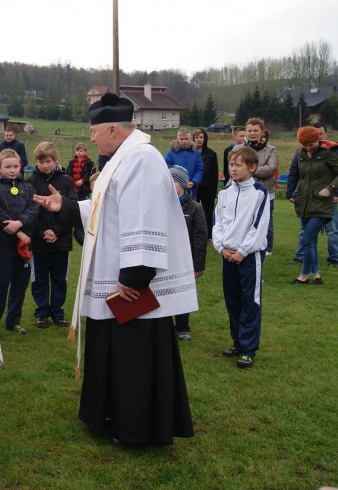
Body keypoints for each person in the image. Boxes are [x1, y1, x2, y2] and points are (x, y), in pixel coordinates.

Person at [33, 93, 195, 446]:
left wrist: (135, 275)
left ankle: (135, 427)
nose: (90, 139)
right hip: (116, 276)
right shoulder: (121, 159)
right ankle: (107, 414)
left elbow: (145, 217)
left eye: (93, 131)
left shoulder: (142, 160)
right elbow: (106, 209)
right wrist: (66, 206)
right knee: (113, 351)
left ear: (111, 128)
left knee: (134, 359)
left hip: (131, 284)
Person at [212, 146, 270, 368]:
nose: (233, 169)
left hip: (248, 257)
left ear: (252, 167)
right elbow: (217, 223)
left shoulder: (259, 193)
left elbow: (258, 226)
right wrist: (222, 248)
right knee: (233, 299)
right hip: (227, 256)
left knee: (250, 301)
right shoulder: (224, 193)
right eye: (231, 164)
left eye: (238, 165)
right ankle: (237, 341)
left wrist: (243, 251)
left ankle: (248, 349)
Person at [0, 149, 39, 334]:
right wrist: (17, 231)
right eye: (8, 167)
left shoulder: (28, 186)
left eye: (15, 166)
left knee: (21, 282)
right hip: (4, 241)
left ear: (21, 167)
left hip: (25, 242)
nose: (12, 170)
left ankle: (13, 321)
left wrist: (20, 223)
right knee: (2, 282)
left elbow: (34, 208)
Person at [287, 127, 338, 286]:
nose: (309, 147)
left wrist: (330, 188)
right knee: (311, 241)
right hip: (304, 204)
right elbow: (297, 175)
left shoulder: (328, 154)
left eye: (311, 144)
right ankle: (316, 275)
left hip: (321, 205)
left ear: (318, 139)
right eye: (305, 144)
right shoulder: (301, 155)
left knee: (307, 239)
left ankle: (304, 275)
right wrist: (294, 193)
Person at [28, 142, 78, 329]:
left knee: (59, 277)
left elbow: (72, 208)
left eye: (48, 161)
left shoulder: (66, 181)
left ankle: (58, 312)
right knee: (39, 277)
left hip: (61, 240)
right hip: (39, 241)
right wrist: (42, 232)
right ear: (37, 162)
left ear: (55, 160)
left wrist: (56, 231)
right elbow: (30, 210)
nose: (45, 165)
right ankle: (41, 312)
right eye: (41, 162)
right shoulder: (32, 181)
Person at [168, 166, 207, 341]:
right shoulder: (161, 205)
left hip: (185, 259)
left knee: (182, 292)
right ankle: (164, 325)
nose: (170, 184)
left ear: (184, 185)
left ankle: (183, 327)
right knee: (164, 291)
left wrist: (198, 265)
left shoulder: (195, 208)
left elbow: (200, 238)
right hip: (166, 259)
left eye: (174, 181)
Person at [241, 118, 277, 255]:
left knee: (266, 219)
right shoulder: (239, 149)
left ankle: (267, 247)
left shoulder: (271, 150)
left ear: (262, 132)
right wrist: (259, 168)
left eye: (256, 130)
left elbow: (271, 170)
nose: (252, 133)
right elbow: (234, 169)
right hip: (244, 191)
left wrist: (247, 168)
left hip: (265, 191)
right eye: (249, 130)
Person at [193, 128, 219, 240]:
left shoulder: (211, 154)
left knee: (208, 213)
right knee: (194, 213)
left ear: (205, 138)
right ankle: (194, 234)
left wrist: (213, 190)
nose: (199, 140)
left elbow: (214, 173)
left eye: (201, 137)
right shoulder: (191, 153)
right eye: (197, 137)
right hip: (194, 188)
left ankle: (209, 236)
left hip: (208, 189)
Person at [164, 127, 204, 198]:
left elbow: (199, 170)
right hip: (176, 192)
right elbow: (167, 170)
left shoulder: (196, 153)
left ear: (191, 138)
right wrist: (179, 183)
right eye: (181, 139)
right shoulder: (170, 153)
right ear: (177, 139)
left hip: (192, 191)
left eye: (186, 139)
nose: (184, 141)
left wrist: (194, 182)